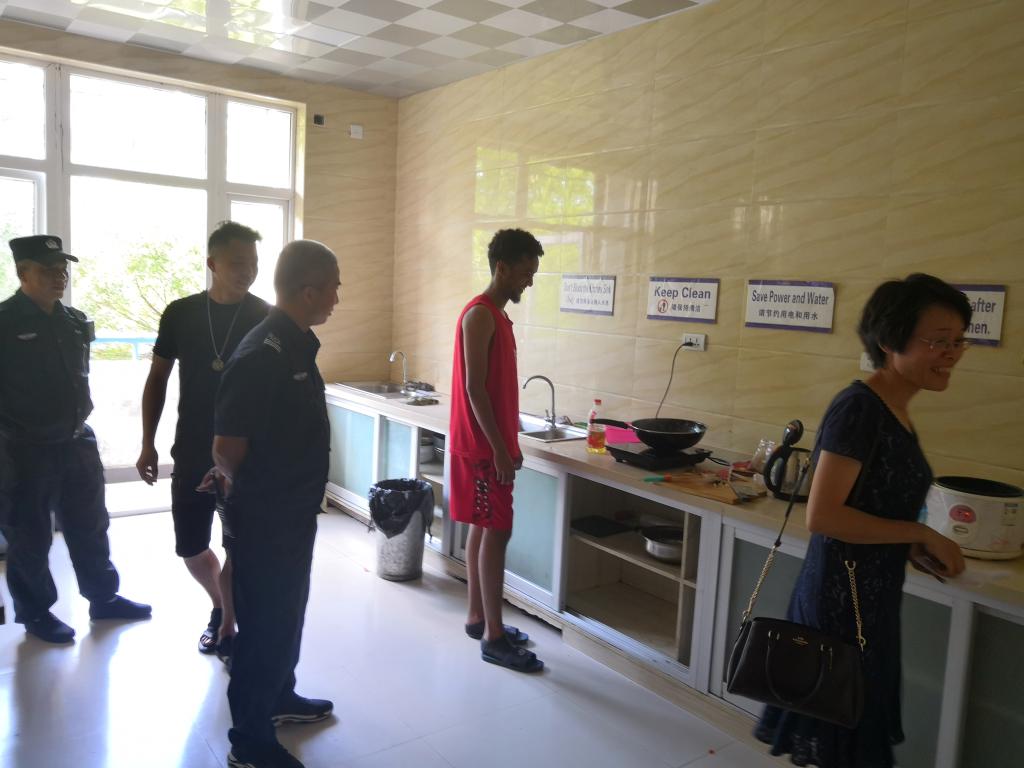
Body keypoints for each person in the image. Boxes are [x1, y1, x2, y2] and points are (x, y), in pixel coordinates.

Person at [755, 273, 969, 767]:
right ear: (890, 341)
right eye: (939, 341)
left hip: (870, 600)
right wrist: (918, 532)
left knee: (851, 740)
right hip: (840, 604)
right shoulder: (860, 409)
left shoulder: (895, 410)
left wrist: (907, 544)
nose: (952, 353)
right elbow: (823, 515)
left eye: (959, 341)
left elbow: (870, 505)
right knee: (847, 740)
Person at [202, 240, 339, 768]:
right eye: (333, 289)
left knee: (286, 614)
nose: (337, 299)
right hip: (266, 517)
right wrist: (247, 506)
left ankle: (280, 695)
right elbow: (226, 446)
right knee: (263, 626)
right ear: (308, 292)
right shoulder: (263, 353)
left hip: (293, 512)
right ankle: (250, 743)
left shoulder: (295, 343)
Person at [0, 235, 151, 644]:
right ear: (23, 272)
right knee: (30, 534)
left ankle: (103, 598)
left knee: (91, 524)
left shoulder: (73, 321)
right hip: (25, 447)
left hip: (76, 440)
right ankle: (35, 613)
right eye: (48, 270)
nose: (59, 276)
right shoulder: (5, 322)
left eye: (62, 269)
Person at [136, 221, 268, 659]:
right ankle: (221, 605)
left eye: (253, 262)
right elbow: (157, 378)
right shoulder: (181, 313)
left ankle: (227, 618)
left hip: (245, 454)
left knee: (240, 544)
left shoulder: (266, 316)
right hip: (192, 448)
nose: (247, 271)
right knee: (191, 546)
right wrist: (147, 441)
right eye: (237, 262)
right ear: (212, 263)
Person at [449, 228, 544, 673]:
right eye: (525, 272)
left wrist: (509, 442)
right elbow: (475, 390)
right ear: (502, 267)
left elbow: (495, 390)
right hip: (483, 451)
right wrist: (500, 451)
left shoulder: (498, 317)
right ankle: (494, 636)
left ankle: (477, 616)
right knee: (498, 532)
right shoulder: (480, 315)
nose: (529, 281)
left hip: (490, 447)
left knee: (483, 527)